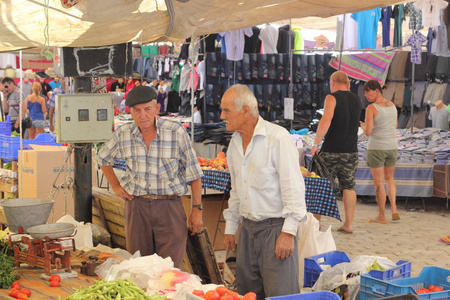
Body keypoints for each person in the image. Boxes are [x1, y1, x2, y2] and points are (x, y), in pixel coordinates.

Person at [97, 85, 203, 269]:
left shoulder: (175, 131)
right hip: (137, 208)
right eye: (137, 111)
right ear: (130, 112)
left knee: (170, 268)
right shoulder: (123, 133)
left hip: (169, 207)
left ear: (157, 109)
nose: (142, 115)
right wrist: (115, 186)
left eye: (147, 109)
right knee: (139, 266)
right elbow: (102, 158)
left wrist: (197, 210)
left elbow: (194, 173)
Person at [221, 84, 307, 300]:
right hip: (249, 230)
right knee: (248, 293)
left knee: (280, 294)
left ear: (245, 111)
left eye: (226, 110)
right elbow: (236, 189)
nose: (222, 116)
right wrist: (231, 227)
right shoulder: (235, 142)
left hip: (275, 230)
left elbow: (293, 186)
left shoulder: (277, 138)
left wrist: (288, 233)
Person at [311, 71, 361, 234]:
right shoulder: (357, 99)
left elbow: (326, 120)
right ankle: (348, 224)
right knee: (349, 186)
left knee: (322, 185)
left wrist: (316, 143)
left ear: (332, 82)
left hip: (331, 150)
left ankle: (316, 223)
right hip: (351, 151)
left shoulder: (331, 98)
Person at [360, 80, 399, 223]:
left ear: (376, 91)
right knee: (390, 178)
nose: (365, 95)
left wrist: (363, 127)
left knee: (378, 182)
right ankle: (394, 209)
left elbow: (368, 132)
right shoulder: (392, 105)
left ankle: (381, 215)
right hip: (392, 146)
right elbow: (394, 126)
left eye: (367, 92)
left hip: (377, 147)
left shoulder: (372, 108)